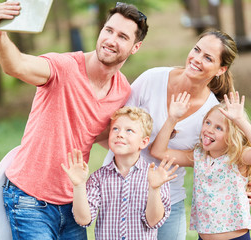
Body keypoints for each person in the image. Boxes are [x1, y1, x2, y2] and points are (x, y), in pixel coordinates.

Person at [0, 1, 148, 239]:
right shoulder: (63, 67)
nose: (111, 40)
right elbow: (16, 65)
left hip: (74, 203)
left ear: (135, 47)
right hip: (30, 199)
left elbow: (105, 136)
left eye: (123, 36)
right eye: (109, 30)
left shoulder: (122, 91)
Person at [101, 29, 239, 240]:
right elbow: (116, 126)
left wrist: (245, 187)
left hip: (168, 199)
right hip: (120, 193)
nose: (197, 59)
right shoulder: (152, 78)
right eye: (196, 50)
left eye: (208, 58)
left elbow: (221, 156)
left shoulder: (212, 113)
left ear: (221, 69)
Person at [150, 91, 251, 240]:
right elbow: (158, 151)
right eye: (208, 122)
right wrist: (172, 118)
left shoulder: (237, 157)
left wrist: (239, 120)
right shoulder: (199, 156)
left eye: (219, 128)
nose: (209, 130)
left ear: (232, 135)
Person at [62, 106, 178, 239]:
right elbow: (83, 220)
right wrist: (79, 185)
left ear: (143, 142)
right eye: (115, 129)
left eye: (129, 130)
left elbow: (153, 222)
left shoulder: (155, 177)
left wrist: (154, 189)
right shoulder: (98, 177)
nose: (120, 134)